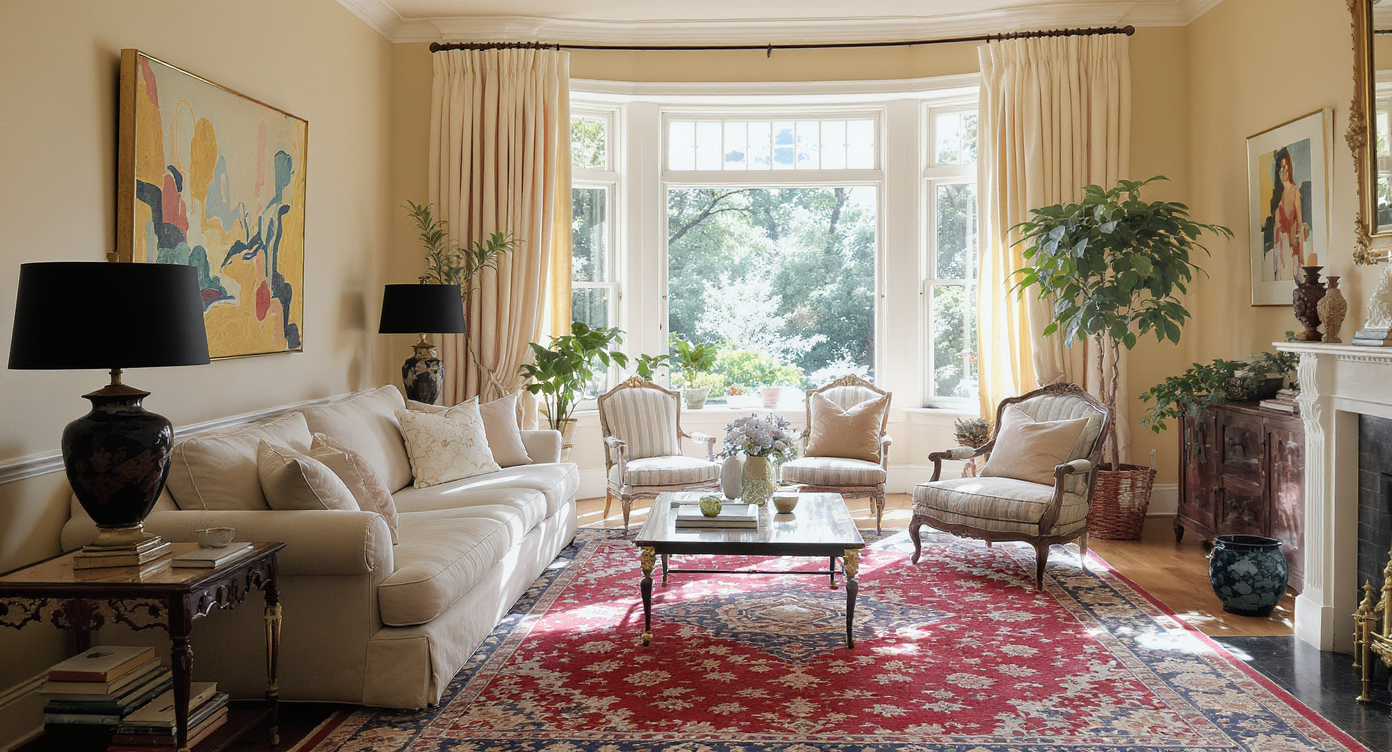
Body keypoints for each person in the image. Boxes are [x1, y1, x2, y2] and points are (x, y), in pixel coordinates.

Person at [1269, 147, 1307, 280]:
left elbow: (1299, 218)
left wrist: (1297, 234)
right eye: (1280, 167)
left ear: (1289, 168)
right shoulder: (1277, 193)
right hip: (1280, 239)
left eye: (1285, 167)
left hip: (1291, 239)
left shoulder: (1294, 190)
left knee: (1292, 271)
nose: (1283, 170)